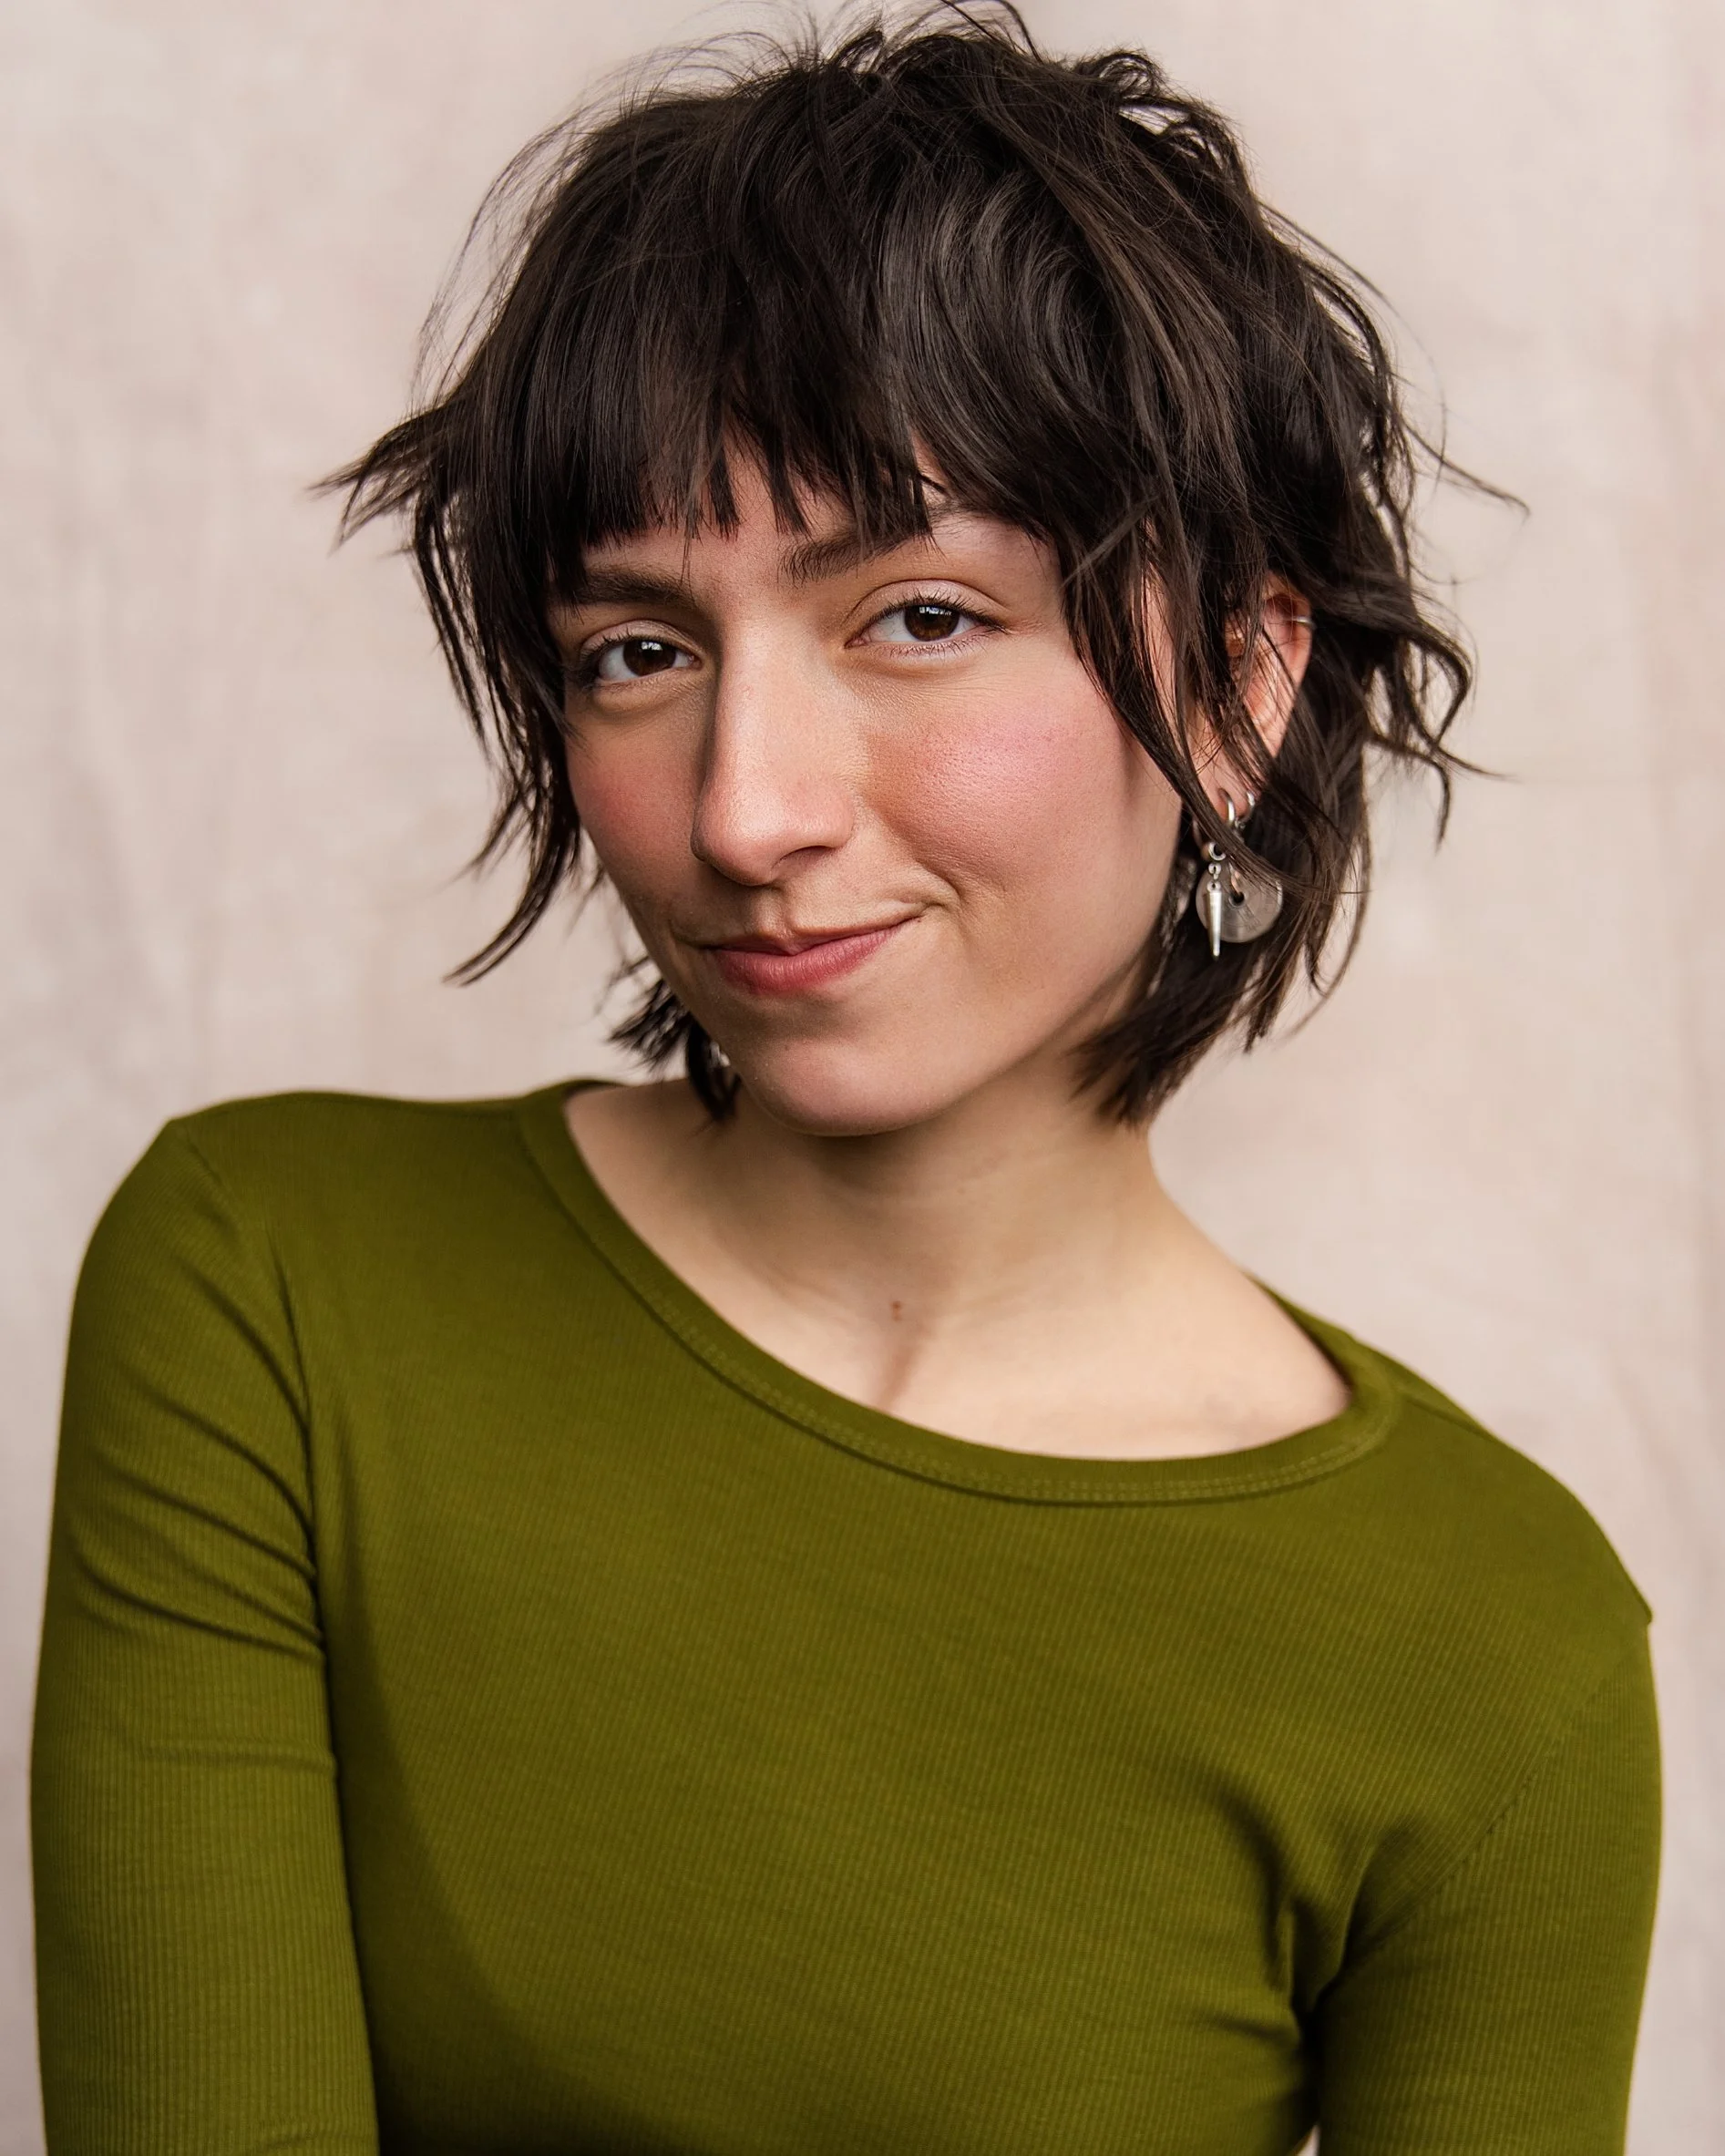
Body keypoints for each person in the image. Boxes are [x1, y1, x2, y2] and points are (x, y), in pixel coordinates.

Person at [31, 10, 1659, 2152]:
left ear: (1248, 673)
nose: (747, 806)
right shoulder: (274, 1292)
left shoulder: (1493, 1648)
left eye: (915, 617)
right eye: (640, 649)